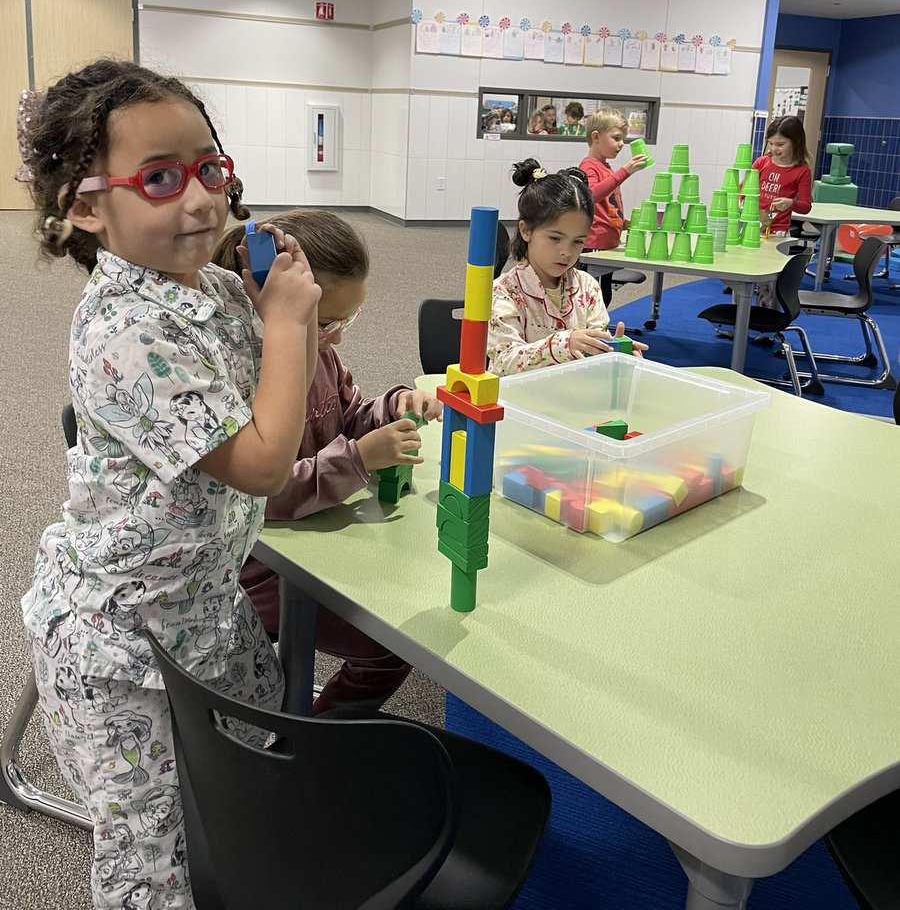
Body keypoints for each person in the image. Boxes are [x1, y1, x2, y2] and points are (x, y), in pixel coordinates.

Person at [20, 58, 321, 910]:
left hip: (204, 607)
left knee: (259, 772)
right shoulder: (123, 331)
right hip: (119, 642)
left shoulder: (219, 290)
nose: (200, 201)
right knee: (154, 867)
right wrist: (291, 321)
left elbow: (274, 400)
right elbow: (263, 460)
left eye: (209, 170)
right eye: (159, 179)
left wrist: (273, 311)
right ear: (86, 207)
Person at [213, 210, 442, 714]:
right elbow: (263, 495)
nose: (337, 337)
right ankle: (318, 740)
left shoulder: (320, 355)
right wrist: (359, 458)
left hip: (315, 542)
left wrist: (392, 405)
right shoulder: (238, 377)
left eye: (347, 320)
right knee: (389, 648)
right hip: (254, 568)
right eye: (326, 322)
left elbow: (351, 413)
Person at [488, 159, 647, 375]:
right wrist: (563, 345)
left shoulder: (587, 287)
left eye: (578, 241)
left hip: (573, 398)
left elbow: (593, 349)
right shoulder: (504, 291)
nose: (567, 252)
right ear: (526, 231)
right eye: (555, 238)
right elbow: (504, 362)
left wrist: (615, 352)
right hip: (518, 401)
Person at [579, 107, 649, 308]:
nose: (621, 145)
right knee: (595, 299)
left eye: (623, 140)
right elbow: (591, 195)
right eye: (616, 138)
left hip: (607, 242)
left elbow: (607, 204)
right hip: (594, 245)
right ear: (596, 137)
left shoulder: (605, 167)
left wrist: (621, 222)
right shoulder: (589, 166)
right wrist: (624, 172)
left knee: (604, 296)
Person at [752, 115, 812, 235]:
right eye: (770, 143)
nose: (774, 149)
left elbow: (806, 206)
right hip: (752, 225)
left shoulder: (802, 171)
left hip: (778, 232)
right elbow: (743, 188)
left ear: (795, 143)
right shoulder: (761, 162)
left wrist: (791, 203)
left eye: (780, 144)